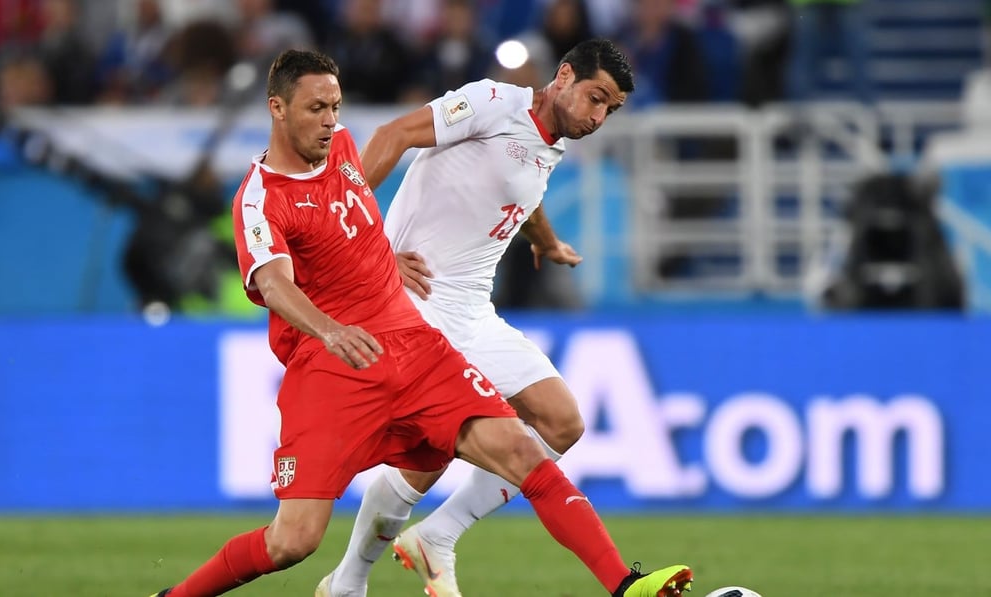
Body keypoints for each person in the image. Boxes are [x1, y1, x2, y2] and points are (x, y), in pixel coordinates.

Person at [148, 48, 692, 597]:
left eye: (336, 106)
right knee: (294, 541)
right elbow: (275, 280)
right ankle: (323, 582)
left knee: (544, 435)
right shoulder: (261, 198)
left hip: (432, 333)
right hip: (359, 345)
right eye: (317, 107)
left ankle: (625, 585)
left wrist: (545, 242)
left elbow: (509, 192)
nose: (332, 120)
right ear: (278, 109)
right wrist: (357, 290)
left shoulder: (343, 149)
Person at [316, 38, 665, 597]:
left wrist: (547, 241)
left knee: (562, 422)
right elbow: (393, 136)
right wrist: (365, 245)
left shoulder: (549, 143)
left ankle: (438, 536)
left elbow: (521, 191)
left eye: (611, 109)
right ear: (565, 75)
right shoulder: (492, 101)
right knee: (426, 457)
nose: (598, 117)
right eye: (596, 98)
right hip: (419, 306)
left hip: (474, 313)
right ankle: (349, 582)